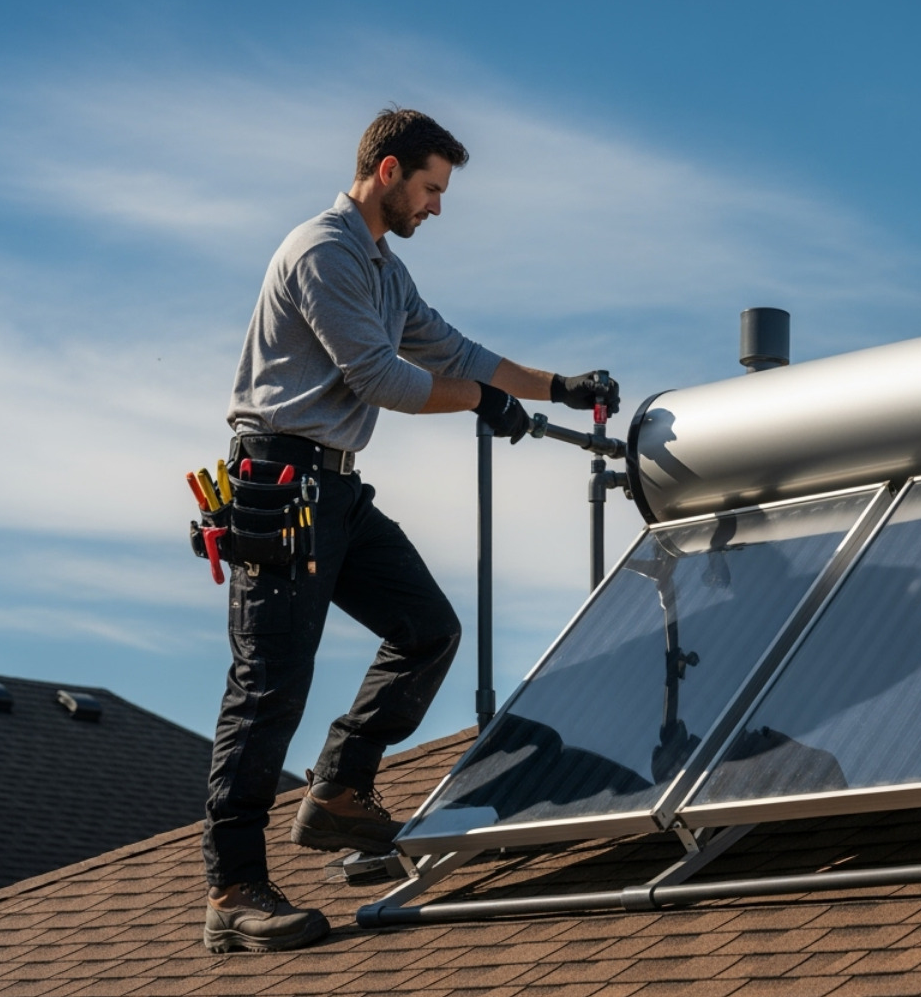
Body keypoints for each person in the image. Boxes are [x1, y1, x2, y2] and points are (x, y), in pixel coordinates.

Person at [202, 108, 619, 953]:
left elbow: (453, 351)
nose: (438, 206)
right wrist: (481, 402)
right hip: (278, 486)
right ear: (387, 172)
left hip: (336, 490)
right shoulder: (322, 252)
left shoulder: (385, 272)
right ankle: (232, 890)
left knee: (429, 629)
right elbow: (382, 376)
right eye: (431, 188)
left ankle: (339, 795)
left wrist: (556, 386)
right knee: (270, 683)